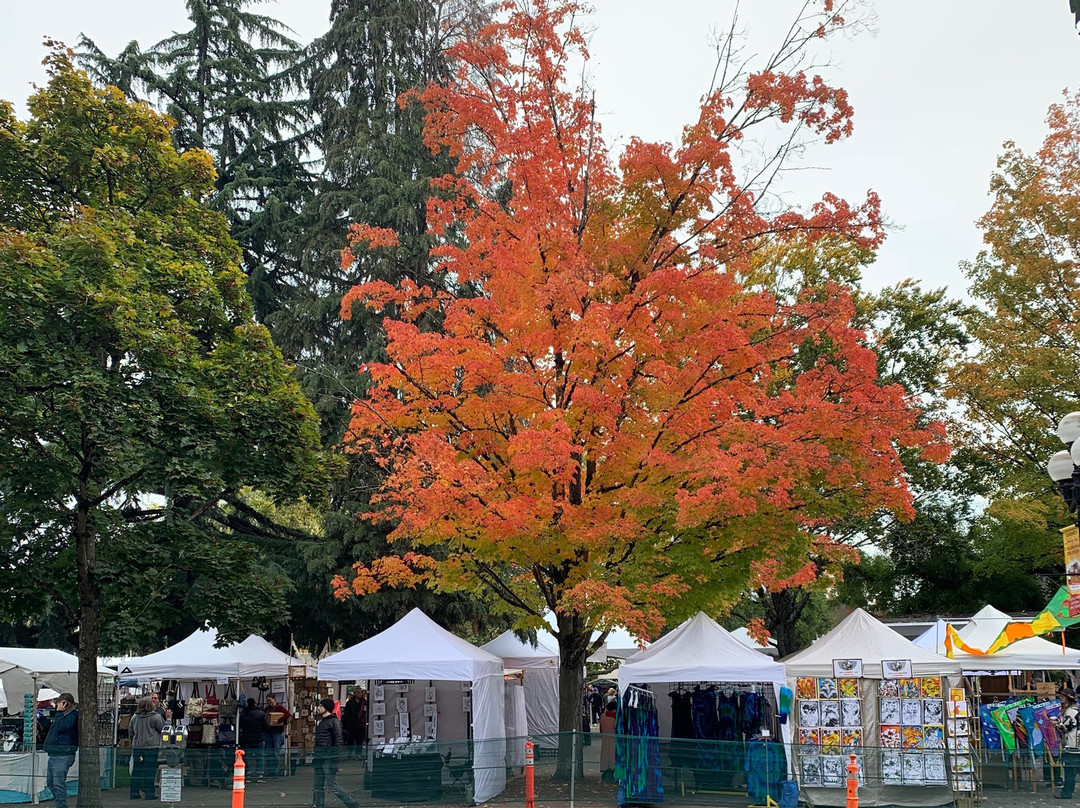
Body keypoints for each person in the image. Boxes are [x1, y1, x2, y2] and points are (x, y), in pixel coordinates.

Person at [313, 698, 358, 808]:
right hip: (320, 757)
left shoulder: (333, 722)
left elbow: (338, 740)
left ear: (326, 708)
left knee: (332, 784)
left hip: (328, 757)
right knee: (318, 786)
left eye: (321, 706)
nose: (318, 708)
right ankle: (319, 805)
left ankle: (351, 803)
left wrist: (334, 756)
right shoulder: (322, 722)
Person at [44, 693, 78, 808]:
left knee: (58, 783)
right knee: (50, 782)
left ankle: (61, 805)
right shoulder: (61, 716)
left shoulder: (72, 716)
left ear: (66, 703)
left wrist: (59, 712)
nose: (56, 705)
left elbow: (64, 727)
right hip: (55, 752)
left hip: (64, 753)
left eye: (59, 702)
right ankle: (60, 803)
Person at [128, 696, 165, 799]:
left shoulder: (134, 717)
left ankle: (134, 792)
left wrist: (133, 742)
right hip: (151, 747)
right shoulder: (155, 717)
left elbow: (130, 732)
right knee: (149, 770)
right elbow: (163, 729)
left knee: (137, 770)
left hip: (138, 747)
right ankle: (149, 793)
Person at [239, 697, 270, 781]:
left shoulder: (244, 714)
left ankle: (248, 773)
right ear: (255, 703)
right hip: (259, 737)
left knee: (248, 757)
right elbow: (266, 726)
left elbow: (241, 725)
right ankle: (260, 774)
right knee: (260, 756)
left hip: (247, 738)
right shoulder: (261, 713)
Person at [1059, 687, 1080, 799]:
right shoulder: (1073, 710)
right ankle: (1066, 793)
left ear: (1068, 698)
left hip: (1072, 747)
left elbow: (1067, 726)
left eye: (1063, 696)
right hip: (1075, 746)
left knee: (1070, 772)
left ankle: (1066, 794)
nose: (1060, 698)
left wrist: (1056, 724)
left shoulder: (1071, 711)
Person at [264, 694, 291, 778]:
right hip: (268, 731)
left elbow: (287, 714)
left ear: (274, 699)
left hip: (277, 732)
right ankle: (270, 771)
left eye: (270, 700)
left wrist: (278, 720)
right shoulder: (267, 709)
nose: (269, 702)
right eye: (267, 700)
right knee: (269, 752)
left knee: (275, 752)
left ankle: (275, 771)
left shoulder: (279, 707)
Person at [341, 688, 367, 755]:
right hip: (351, 724)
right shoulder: (350, 702)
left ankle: (358, 754)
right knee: (350, 740)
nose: (360, 694)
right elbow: (346, 713)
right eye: (358, 692)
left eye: (360, 692)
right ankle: (350, 752)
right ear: (355, 693)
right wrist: (349, 721)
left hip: (360, 724)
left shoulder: (364, 702)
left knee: (359, 740)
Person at [599, 697, 617, 783]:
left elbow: (601, 729)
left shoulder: (603, 717)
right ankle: (611, 773)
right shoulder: (615, 719)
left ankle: (604, 772)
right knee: (612, 757)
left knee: (605, 756)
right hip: (613, 740)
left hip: (604, 740)